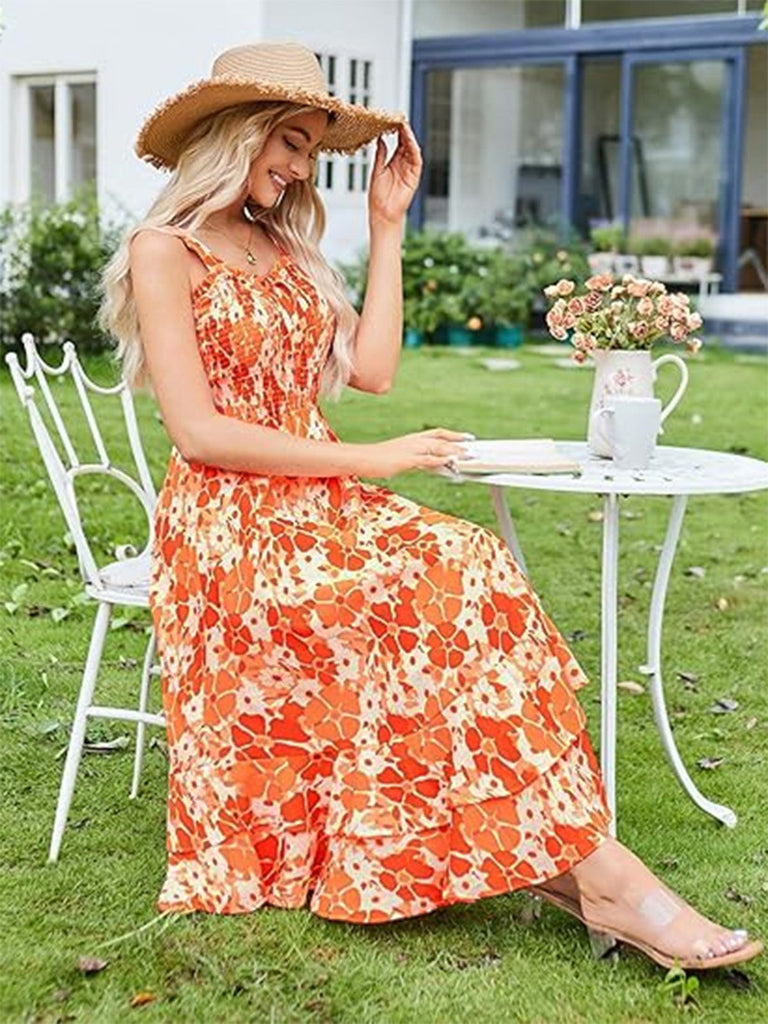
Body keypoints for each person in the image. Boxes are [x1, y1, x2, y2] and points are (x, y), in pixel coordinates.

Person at [101, 41, 761, 971]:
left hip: (316, 503)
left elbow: (371, 370)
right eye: (287, 143)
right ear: (232, 134)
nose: (297, 167)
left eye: (309, 152)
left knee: (472, 563)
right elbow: (201, 434)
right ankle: (608, 885)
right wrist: (376, 459)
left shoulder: (284, 248)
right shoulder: (162, 250)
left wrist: (386, 224)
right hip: (230, 524)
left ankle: (587, 873)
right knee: (433, 579)